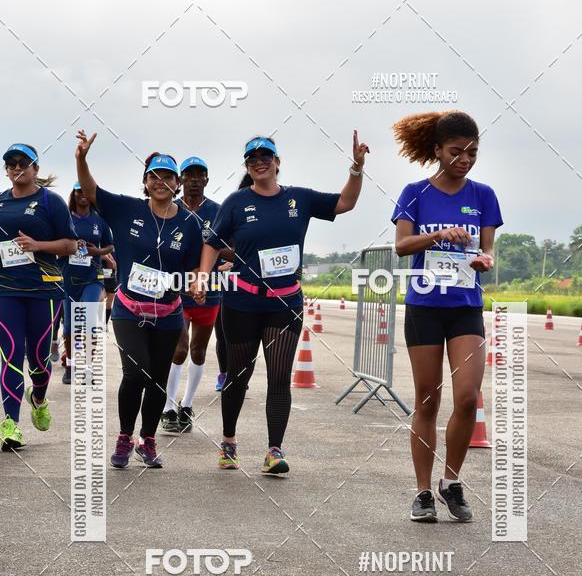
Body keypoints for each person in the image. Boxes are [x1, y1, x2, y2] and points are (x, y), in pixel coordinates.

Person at [193, 131, 369, 475]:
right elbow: (212, 241)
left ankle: (274, 450)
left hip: (285, 304)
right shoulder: (236, 202)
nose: (259, 162)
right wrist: (202, 275)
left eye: (265, 157)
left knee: (279, 378)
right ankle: (228, 441)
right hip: (242, 302)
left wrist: (357, 168)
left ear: (277, 163)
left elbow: (345, 203)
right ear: (248, 165)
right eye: (253, 158)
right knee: (238, 377)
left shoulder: (299, 199)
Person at [392, 111, 502, 522]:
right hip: (425, 308)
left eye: (472, 152)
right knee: (428, 400)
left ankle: (451, 482)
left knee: (469, 396)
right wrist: (437, 235)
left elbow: (487, 250)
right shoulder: (415, 192)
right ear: (437, 150)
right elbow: (402, 246)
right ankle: (422, 492)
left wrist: (485, 260)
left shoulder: (484, 195)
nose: (465, 159)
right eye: (456, 152)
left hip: (465, 309)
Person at [75, 130, 205, 469]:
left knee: (159, 378)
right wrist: (81, 159)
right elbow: (90, 191)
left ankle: (147, 440)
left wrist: (196, 283)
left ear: (177, 184)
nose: (160, 182)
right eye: (154, 176)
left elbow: (192, 268)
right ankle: (124, 436)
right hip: (129, 310)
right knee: (136, 373)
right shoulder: (126, 209)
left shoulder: (189, 224)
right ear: (145, 182)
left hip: (169, 312)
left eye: (167, 177)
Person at [0, 143, 77, 451]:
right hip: (6, 290)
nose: (17, 167)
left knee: (40, 360)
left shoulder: (51, 201)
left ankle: (39, 397)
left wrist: (37, 245)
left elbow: (71, 246)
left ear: (35, 168)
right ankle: (11, 423)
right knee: (12, 352)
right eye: (11, 163)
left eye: (24, 162)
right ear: (6, 169)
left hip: (44, 290)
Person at [161, 156, 224, 433]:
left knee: (198, 351)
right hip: (177, 289)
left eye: (201, 175)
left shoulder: (219, 212)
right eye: (190, 174)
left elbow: (231, 248)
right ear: (181, 179)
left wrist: (215, 254)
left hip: (209, 292)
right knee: (179, 349)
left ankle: (186, 405)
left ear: (207, 179)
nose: (195, 179)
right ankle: (168, 407)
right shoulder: (169, 210)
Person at [61, 182, 113, 384]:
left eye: (85, 191)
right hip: (68, 277)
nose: (82, 195)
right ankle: (71, 365)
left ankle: (90, 368)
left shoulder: (99, 220)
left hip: (92, 277)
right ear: (73, 194)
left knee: (90, 322)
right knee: (69, 328)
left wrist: (97, 252)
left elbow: (109, 245)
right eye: (78, 191)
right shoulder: (65, 217)